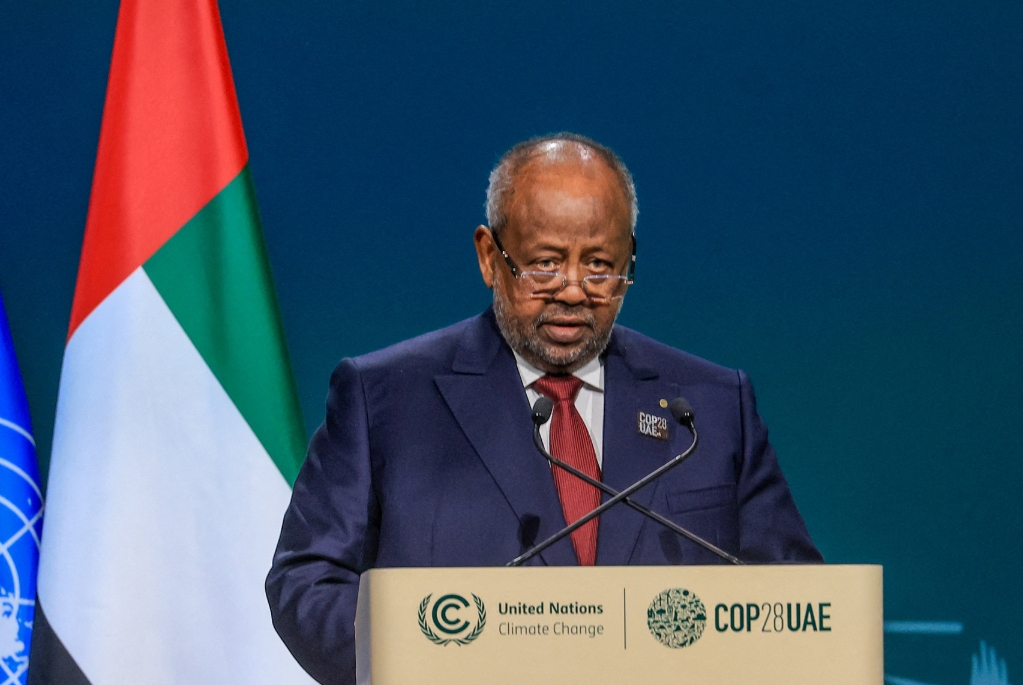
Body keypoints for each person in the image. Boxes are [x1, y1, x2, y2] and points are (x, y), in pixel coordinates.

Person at [266, 133, 822, 685]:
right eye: (545, 264)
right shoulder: (383, 398)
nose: (575, 290)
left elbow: (797, 599)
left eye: (601, 266)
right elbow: (307, 578)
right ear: (490, 256)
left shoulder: (710, 408)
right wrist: (416, 665)